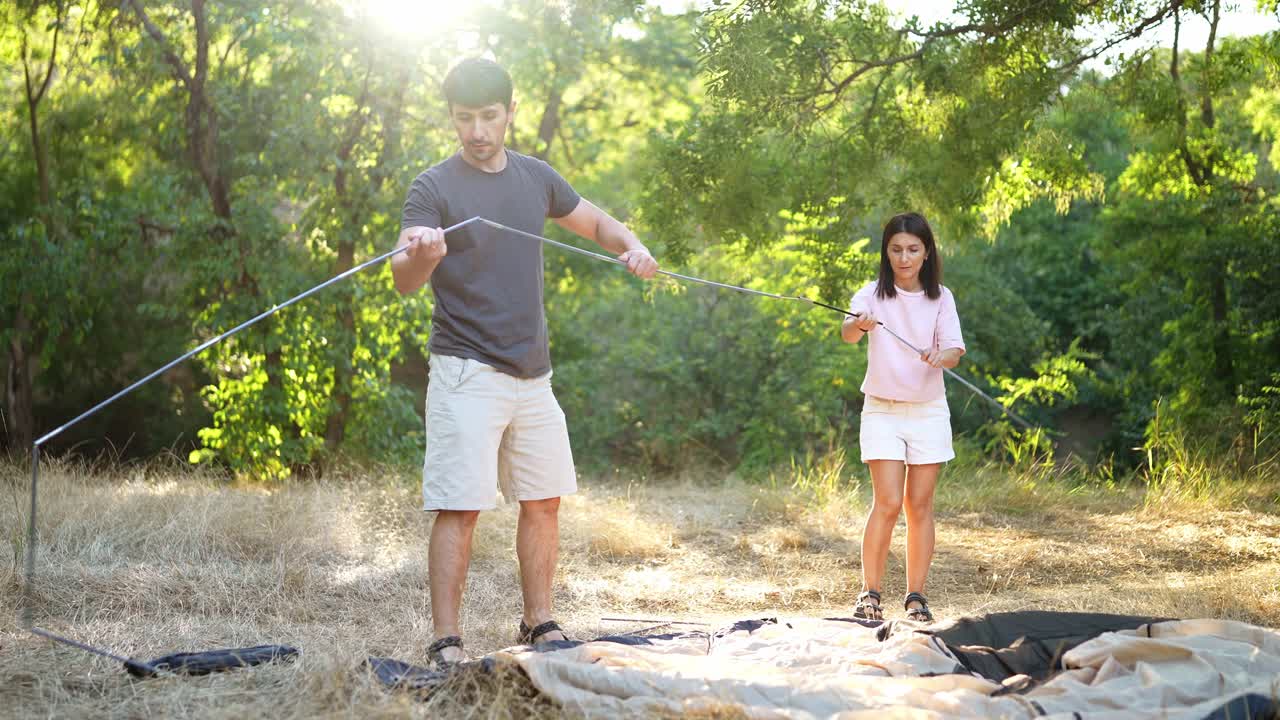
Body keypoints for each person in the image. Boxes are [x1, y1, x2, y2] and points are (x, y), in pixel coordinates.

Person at [391, 58, 659, 666]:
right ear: (452, 118)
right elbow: (405, 279)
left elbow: (595, 222)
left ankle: (539, 622)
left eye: (489, 116)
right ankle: (446, 640)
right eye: (465, 119)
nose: (478, 130)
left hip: (533, 376)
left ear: (511, 112)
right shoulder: (432, 187)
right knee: (460, 507)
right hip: (466, 371)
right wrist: (425, 255)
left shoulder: (536, 178)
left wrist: (634, 246)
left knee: (543, 500)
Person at [840, 212, 965, 623]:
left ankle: (916, 598)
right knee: (888, 502)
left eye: (913, 249)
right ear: (886, 252)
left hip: (928, 411)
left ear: (927, 253)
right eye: (896, 249)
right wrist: (859, 324)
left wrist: (939, 355)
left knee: (920, 505)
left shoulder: (941, 297)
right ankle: (869, 595)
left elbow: (954, 352)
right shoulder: (872, 294)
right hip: (882, 411)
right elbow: (848, 332)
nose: (904, 257)